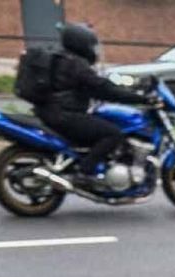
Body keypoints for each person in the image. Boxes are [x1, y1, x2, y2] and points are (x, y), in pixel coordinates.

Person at [34, 23, 153, 188]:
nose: (93, 49)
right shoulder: (77, 64)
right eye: (91, 45)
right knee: (113, 134)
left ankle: (92, 163)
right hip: (65, 115)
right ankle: (85, 172)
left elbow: (94, 89)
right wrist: (140, 99)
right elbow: (102, 88)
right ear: (80, 43)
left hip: (52, 111)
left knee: (98, 126)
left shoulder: (62, 59)